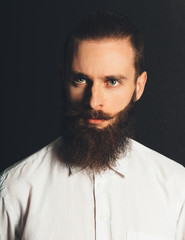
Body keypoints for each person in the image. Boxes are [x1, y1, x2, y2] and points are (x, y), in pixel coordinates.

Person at [0, 11, 185, 240]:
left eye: (112, 82)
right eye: (80, 79)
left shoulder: (178, 189)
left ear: (139, 86)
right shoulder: (15, 188)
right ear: (62, 79)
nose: (93, 101)